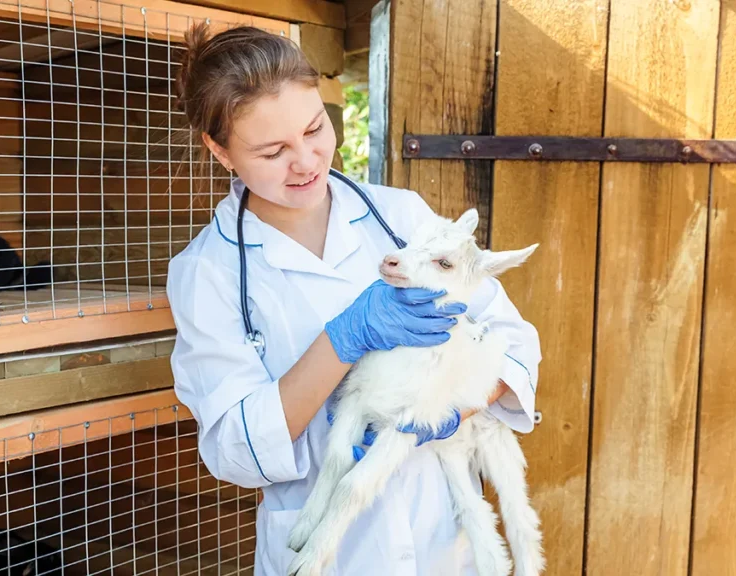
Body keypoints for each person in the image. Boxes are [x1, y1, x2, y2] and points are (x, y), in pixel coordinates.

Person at [166, 22, 541, 576]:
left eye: (315, 128)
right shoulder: (207, 273)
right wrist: (345, 338)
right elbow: (236, 449)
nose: (307, 161)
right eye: (273, 151)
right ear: (220, 152)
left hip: (439, 535)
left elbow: (511, 342)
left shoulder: (402, 216)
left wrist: (440, 413)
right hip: (332, 551)